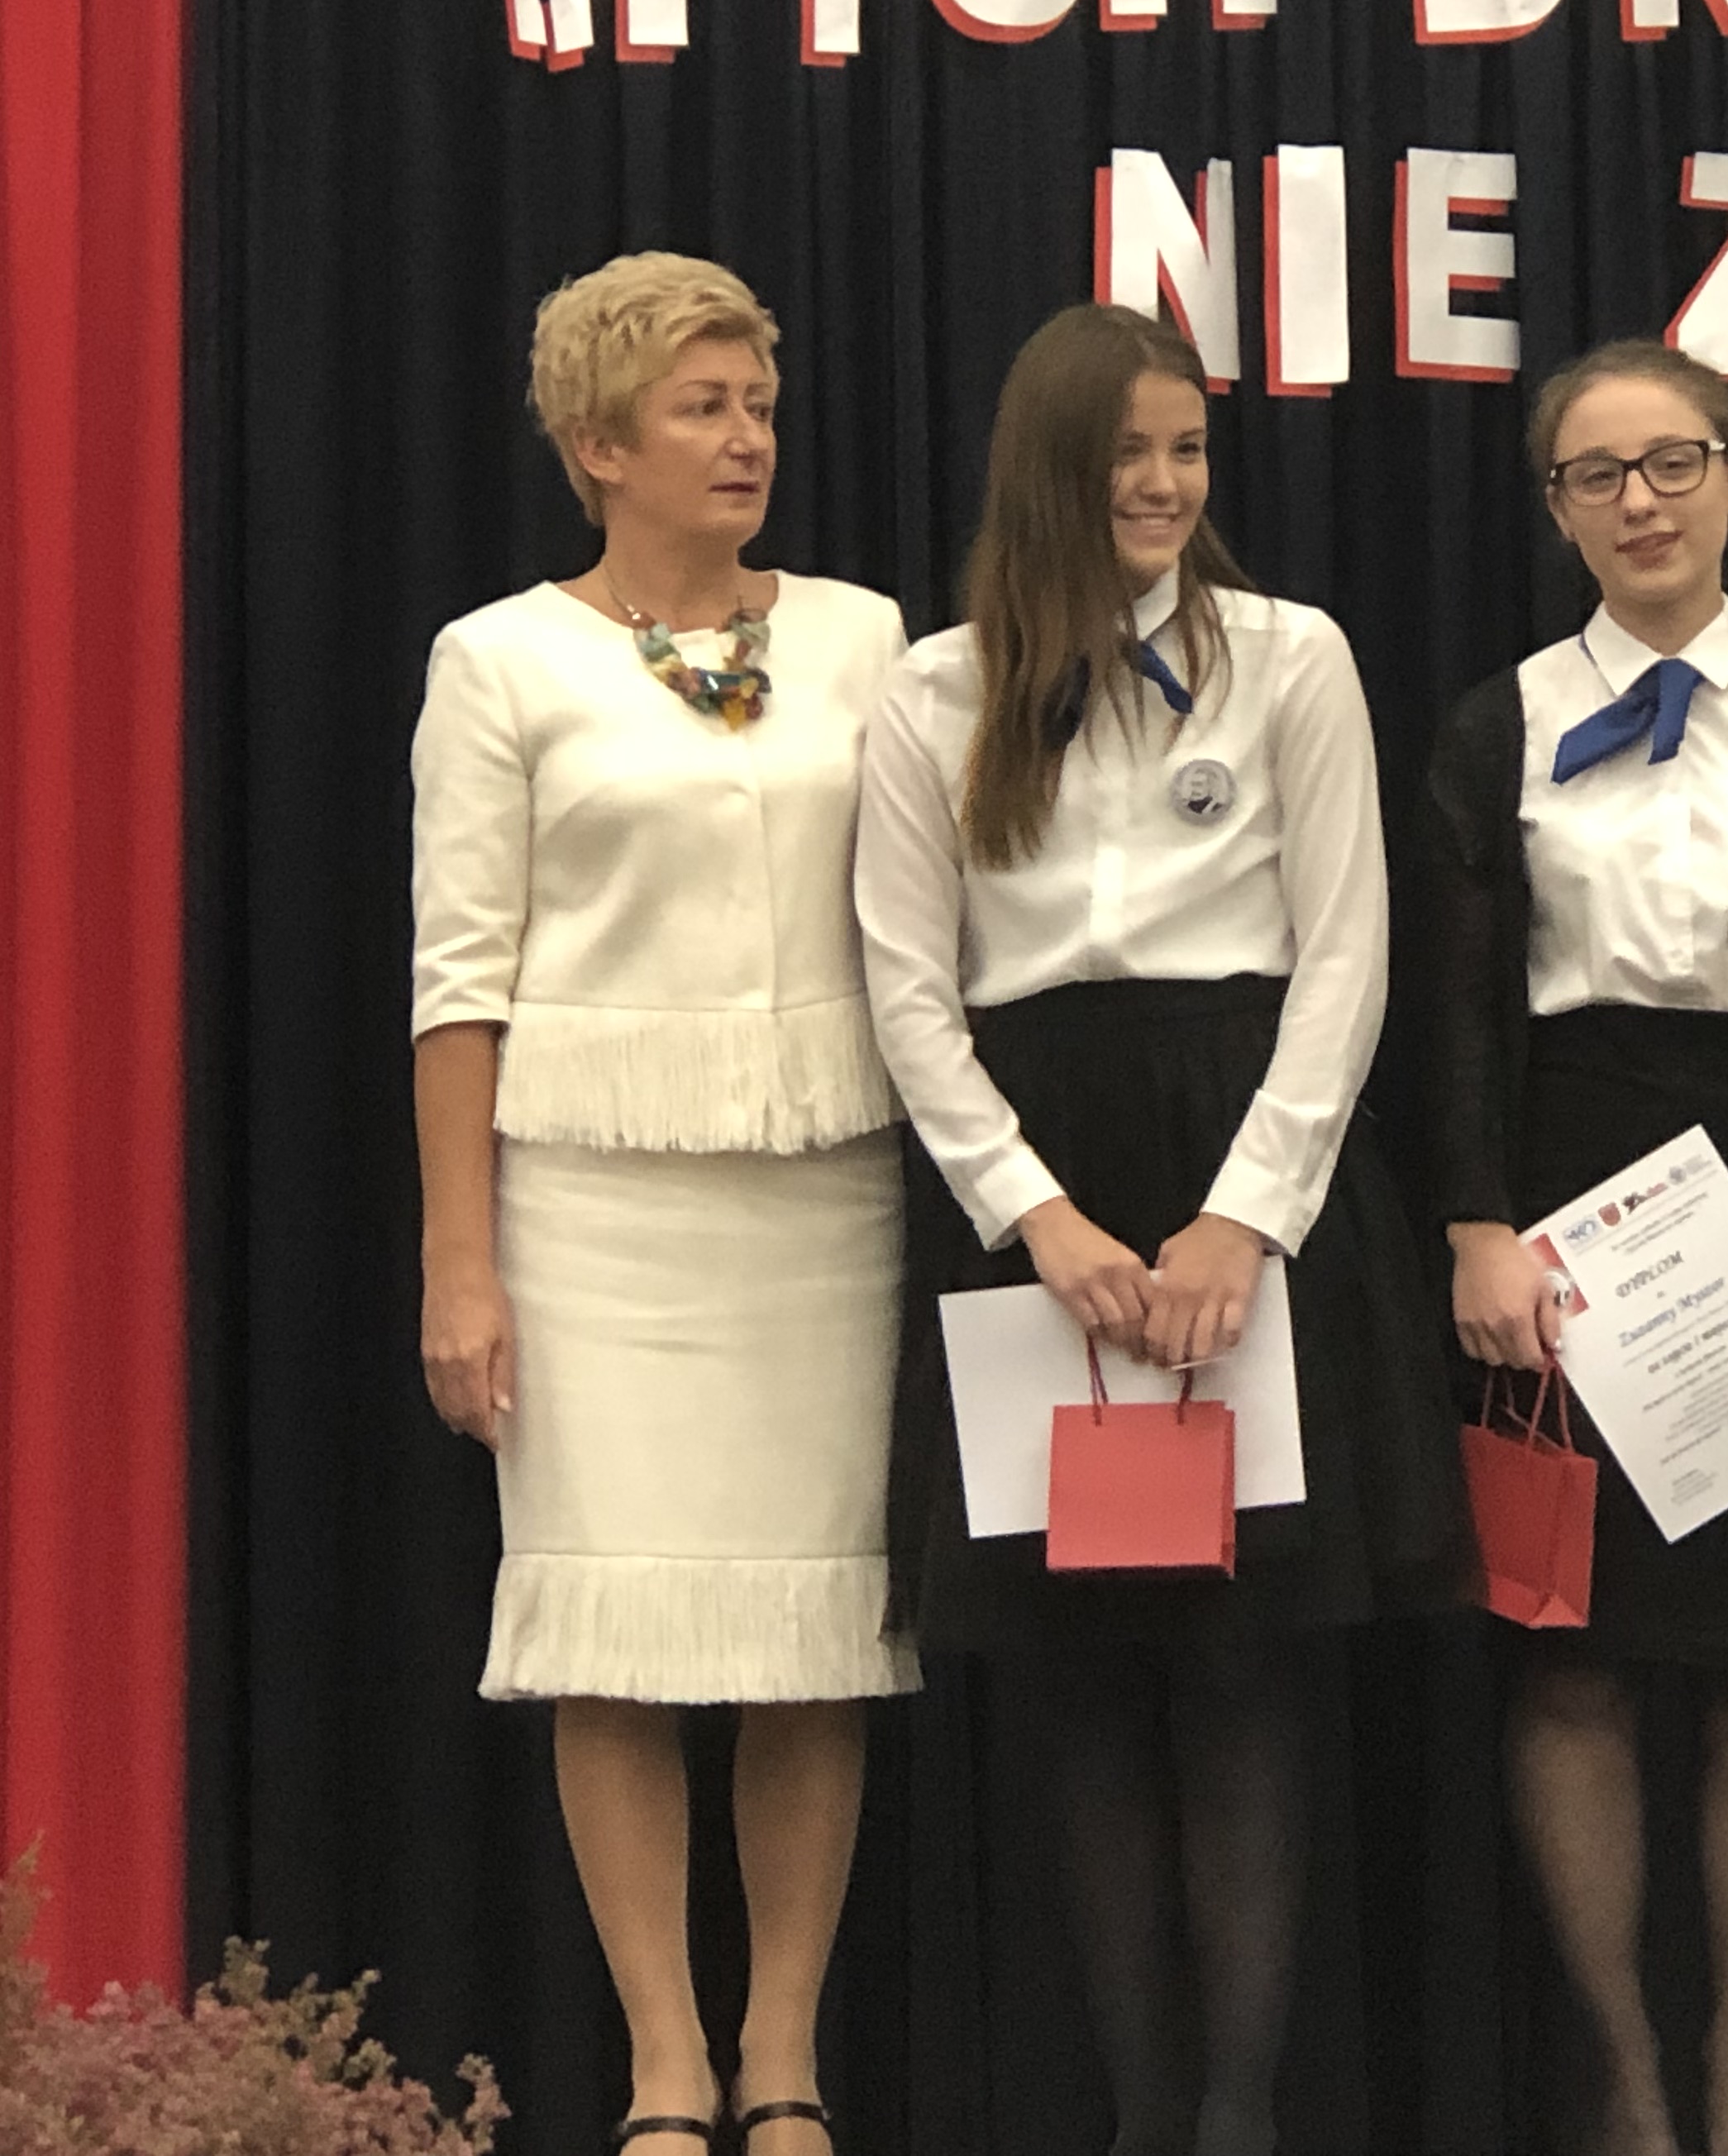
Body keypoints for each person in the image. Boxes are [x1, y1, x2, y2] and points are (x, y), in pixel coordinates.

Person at [854, 303, 1466, 2156]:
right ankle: (1134, 2115)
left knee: (1244, 1666)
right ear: (1049, 467)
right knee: (1086, 1680)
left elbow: (1348, 956)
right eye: (1127, 451)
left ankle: (1238, 2120)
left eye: (1188, 448)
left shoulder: (1292, 657)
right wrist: (1032, 1217)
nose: (1164, 482)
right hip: (1039, 1191)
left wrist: (1243, 1222)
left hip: (1244, 1175)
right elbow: (908, 990)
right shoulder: (933, 693)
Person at [409, 251, 913, 2154]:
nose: (746, 437)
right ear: (597, 443)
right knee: (610, 1633)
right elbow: (458, 982)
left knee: (813, 1633)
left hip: (826, 1195)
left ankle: (782, 2058)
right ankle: (666, 2067)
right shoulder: (499, 661)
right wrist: (462, 1264)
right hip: (590, 1214)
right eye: (703, 407)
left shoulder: (864, 637)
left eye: (757, 404)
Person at [1420, 339, 1728, 2156]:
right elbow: (1455, 1009)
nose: (1639, 502)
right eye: (1596, 474)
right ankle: (1625, 2071)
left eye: (1673, 464)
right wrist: (1476, 1222)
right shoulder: (1495, 724)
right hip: (1559, 1217)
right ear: (1556, 508)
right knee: (1574, 1657)